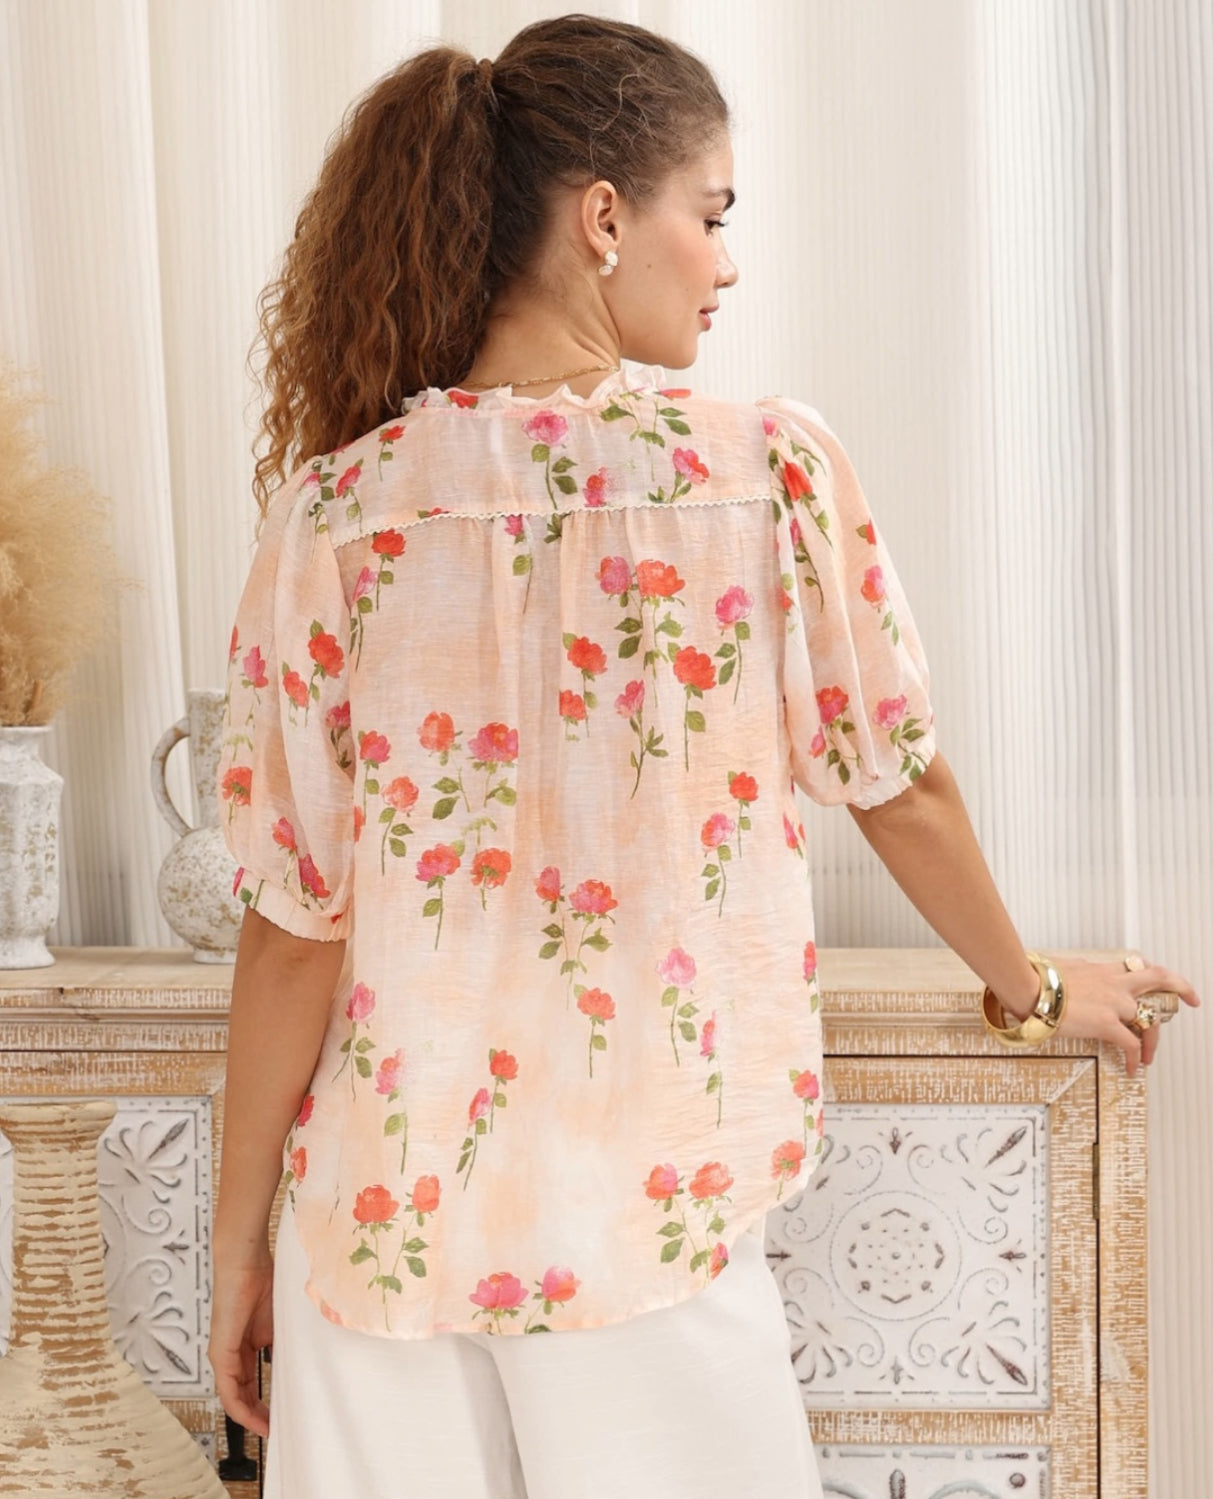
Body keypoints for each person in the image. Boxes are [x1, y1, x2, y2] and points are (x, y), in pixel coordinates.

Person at [209, 14, 1200, 1499]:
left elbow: (294, 924)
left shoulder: (336, 515)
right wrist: (1034, 985)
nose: (727, 262)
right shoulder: (758, 473)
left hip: (379, 1227)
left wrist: (236, 1255)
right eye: (714, 212)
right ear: (607, 218)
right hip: (643, 1216)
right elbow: (896, 780)